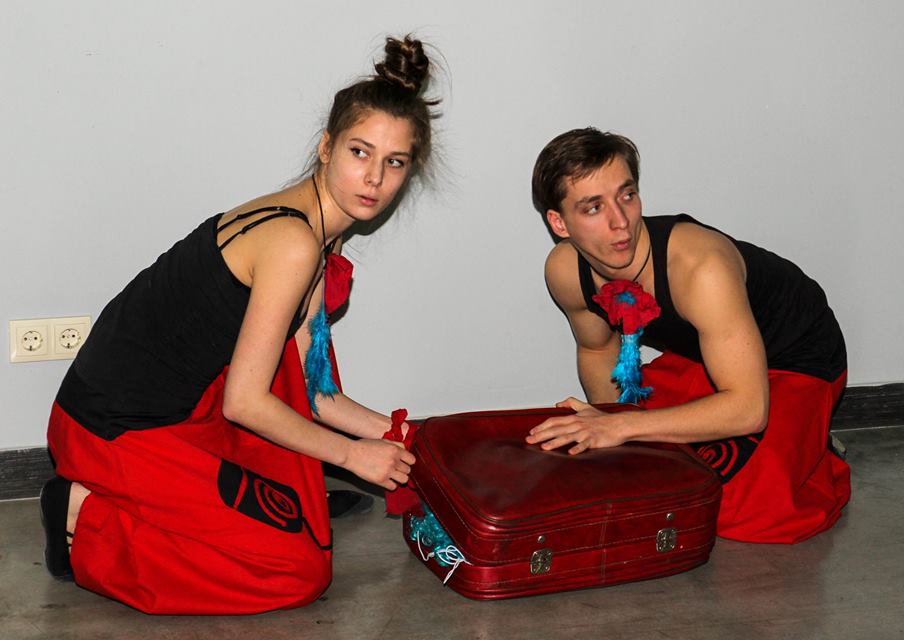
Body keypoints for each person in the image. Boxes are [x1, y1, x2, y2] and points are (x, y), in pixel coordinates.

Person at [40, 35, 438, 614]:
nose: (374, 177)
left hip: (185, 410)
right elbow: (246, 403)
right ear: (326, 147)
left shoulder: (314, 233)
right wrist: (352, 457)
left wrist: (405, 438)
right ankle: (80, 512)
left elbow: (314, 392)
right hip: (112, 431)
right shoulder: (292, 242)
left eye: (394, 162)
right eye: (360, 152)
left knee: (298, 479)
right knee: (296, 570)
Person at [526, 127, 849, 544]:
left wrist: (620, 427)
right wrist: (612, 435)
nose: (621, 222)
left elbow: (749, 409)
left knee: (735, 508)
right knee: (634, 471)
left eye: (627, 195)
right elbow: (597, 348)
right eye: (593, 208)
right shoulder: (565, 271)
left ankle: (817, 450)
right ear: (559, 222)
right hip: (706, 359)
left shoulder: (700, 268)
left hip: (796, 359)